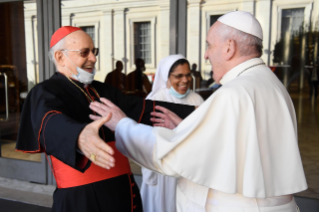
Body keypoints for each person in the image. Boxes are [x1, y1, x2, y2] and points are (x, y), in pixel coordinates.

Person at [90, 11, 307, 212]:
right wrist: (186, 129)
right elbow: (234, 144)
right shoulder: (273, 85)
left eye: (210, 45)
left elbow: (174, 155)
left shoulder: (234, 92)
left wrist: (122, 125)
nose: (205, 55)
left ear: (229, 47)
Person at [15, 26, 194, 212]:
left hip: (123, 192)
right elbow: (50, 123)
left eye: (94, 51)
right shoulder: (44, 91)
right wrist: (78, 136)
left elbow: (143, 109)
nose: (93, 58)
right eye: (85, 52)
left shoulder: (104, 90)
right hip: (81, 200)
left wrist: (200, 113)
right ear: (60, 57)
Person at [141, 55, 203, 212]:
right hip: (164, 174)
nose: (185, 80)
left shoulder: (197, 100)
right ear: (166, 76)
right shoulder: (156, 100)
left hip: (189, 171)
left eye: (188, 74)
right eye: (178, 76)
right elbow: (146, 140)